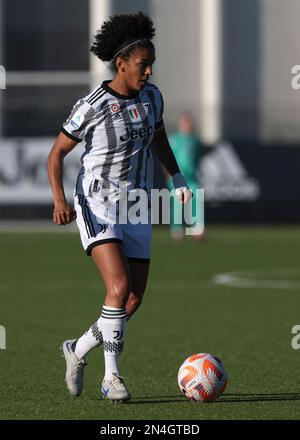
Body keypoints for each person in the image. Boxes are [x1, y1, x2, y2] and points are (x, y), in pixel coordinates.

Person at [47, 12, 191, 403]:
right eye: (143, 64)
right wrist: (61, 199)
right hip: (97, 201)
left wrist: (176, 178)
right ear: (122, 63)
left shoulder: (152, 98)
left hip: (138, 204)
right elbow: (57, 154)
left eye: (151, 65)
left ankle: (76, 349)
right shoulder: (93, 105)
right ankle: (112, 378)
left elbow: (158, 135)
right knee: (118, 286)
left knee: (131, 301)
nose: (149, 71)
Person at [167, 112, 203, 240]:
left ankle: (197, 229)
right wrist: (169, 174)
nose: (187, 125)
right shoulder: (174, 139)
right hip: (177, 178)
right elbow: (167, 158)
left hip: (192, 177)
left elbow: (197, 158)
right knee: (177, 205)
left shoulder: (195, 140)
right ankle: (176, 231)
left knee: (196, 203)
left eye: (189, 122)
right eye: (185, 122)